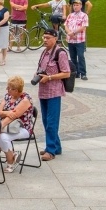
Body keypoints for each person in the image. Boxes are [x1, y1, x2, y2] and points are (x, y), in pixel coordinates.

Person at [36, 29, 71, 160]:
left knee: (51, 122)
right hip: (43, 91)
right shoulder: (44, 52)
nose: (45, 40)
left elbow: (66, 73)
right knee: (46, 121)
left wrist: (49, 77)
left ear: (55, 38)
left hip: (54, 92)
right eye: (44, 37)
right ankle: (56, 146)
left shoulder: (60, 53)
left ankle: (50, 151)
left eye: (48, 37)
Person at [0, 76, 34, 173]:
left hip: (23, 128)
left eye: (9, 88)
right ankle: (13, 155)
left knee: (2, 137)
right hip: (8, 126)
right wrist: (7, 113)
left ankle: (10, 162)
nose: (7, 90)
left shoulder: (25, 100)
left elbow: (12, 117)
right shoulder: (7, 96)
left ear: (16, 90)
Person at [65, 0, 89, 80]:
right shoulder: (70, 15)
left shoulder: (84, 15)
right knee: (73, 57)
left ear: (81, 6)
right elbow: (66, 25)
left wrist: (74, 33)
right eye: (74, 5)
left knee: (81, 56)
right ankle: (76, 72)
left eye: (77, 5)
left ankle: (83, 73)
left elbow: (83, 26)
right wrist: (69, 33)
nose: (75, 7)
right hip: (71, 40)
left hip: (79, 40)